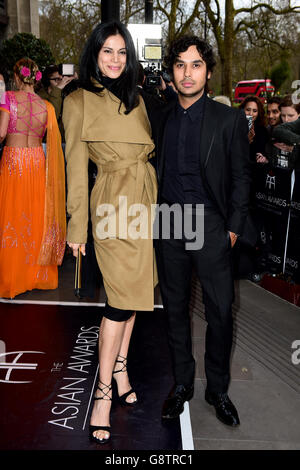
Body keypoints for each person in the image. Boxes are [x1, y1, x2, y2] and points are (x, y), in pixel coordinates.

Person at [147, 35, 251, 426]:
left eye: (195, 65)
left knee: (221, 311)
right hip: (170, 224)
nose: (187, 73)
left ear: (208, 72)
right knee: (174, 310)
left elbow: (242, 178)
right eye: (179, 65)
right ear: (171, 72)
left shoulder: (229, 119)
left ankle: (218, 389)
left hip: (211, 225)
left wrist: (233, 230)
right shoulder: (159, 117)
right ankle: (182, 384)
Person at [62, 21, 157, 444]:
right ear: (94, 55)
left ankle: (120, 369)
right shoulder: (78, 99)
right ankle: (101, 394)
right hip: (111, 204)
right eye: (107, 52)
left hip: (144, 202)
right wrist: (76, 225)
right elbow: (75, 168)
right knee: (119, 301)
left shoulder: (138, 98)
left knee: (136, 295)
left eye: (122, 52)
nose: (115, 60)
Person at [0, 58, 66, 298]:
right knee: (37, 214)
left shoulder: (7, 98)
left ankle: (13, 277)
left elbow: (0, 133)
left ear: (17, 77)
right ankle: (37, 275)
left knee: (13, 214)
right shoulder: (46, 106)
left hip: (14, 161)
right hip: (37, 161)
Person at [239, 95, 268, 163]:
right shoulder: (235, 128)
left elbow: (264, 152)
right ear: (242, 110)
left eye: (255, 111)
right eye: (248, 110)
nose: (251, 114)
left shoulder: (263, 131)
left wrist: (263, 157)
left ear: (258, 113)